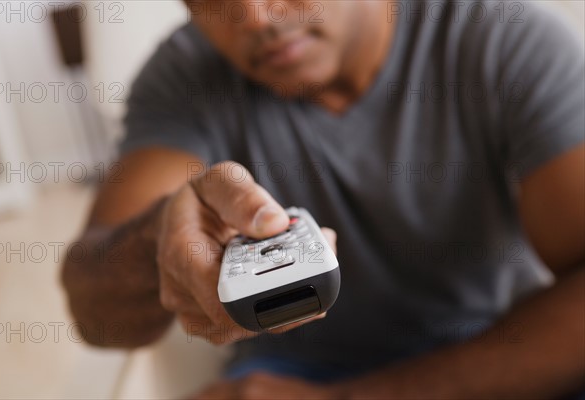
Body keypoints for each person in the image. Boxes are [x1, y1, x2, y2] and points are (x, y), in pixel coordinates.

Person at [62, 0, 585, 398]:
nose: (254, 16)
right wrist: (157, 237)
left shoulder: (505, 40)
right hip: (286, 372)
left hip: (491, 355)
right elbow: (94, 313)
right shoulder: (182, 76)